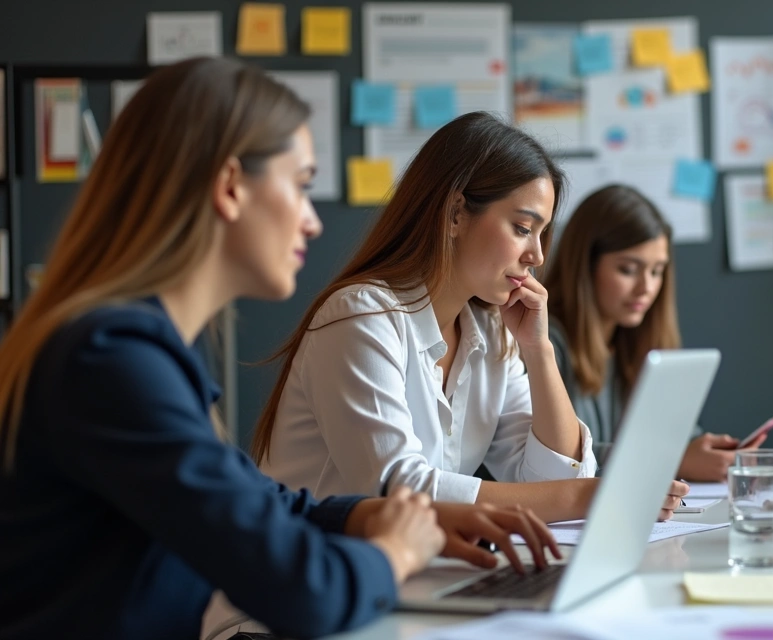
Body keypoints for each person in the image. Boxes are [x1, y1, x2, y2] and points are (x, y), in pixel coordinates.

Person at [0, 59, 556, 640]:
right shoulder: (111, 360)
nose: (314, 222)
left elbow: (248, 498)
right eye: (302, 185)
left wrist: (368, 515)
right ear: (231, 188)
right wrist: (395, 549)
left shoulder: (137, 348)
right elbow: (304, 590)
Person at [251, 113, 687, 525]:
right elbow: (397, 491)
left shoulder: (491, 331)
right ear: (456, 214)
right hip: (300, 589)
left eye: (541, 233)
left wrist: (539, 352)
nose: (536, 255)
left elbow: (557, 481)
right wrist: (589, 496)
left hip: (408, 575)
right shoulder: (363, 316)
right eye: (522, 227)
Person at [543, 184, 773, 481]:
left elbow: (678, 436)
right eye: (628, 269)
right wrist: (670, 460)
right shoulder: (544, 343)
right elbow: (558, 460)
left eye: (656, 271)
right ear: (585, 266)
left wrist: (701, 450)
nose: (647, 288)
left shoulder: (638, 343)